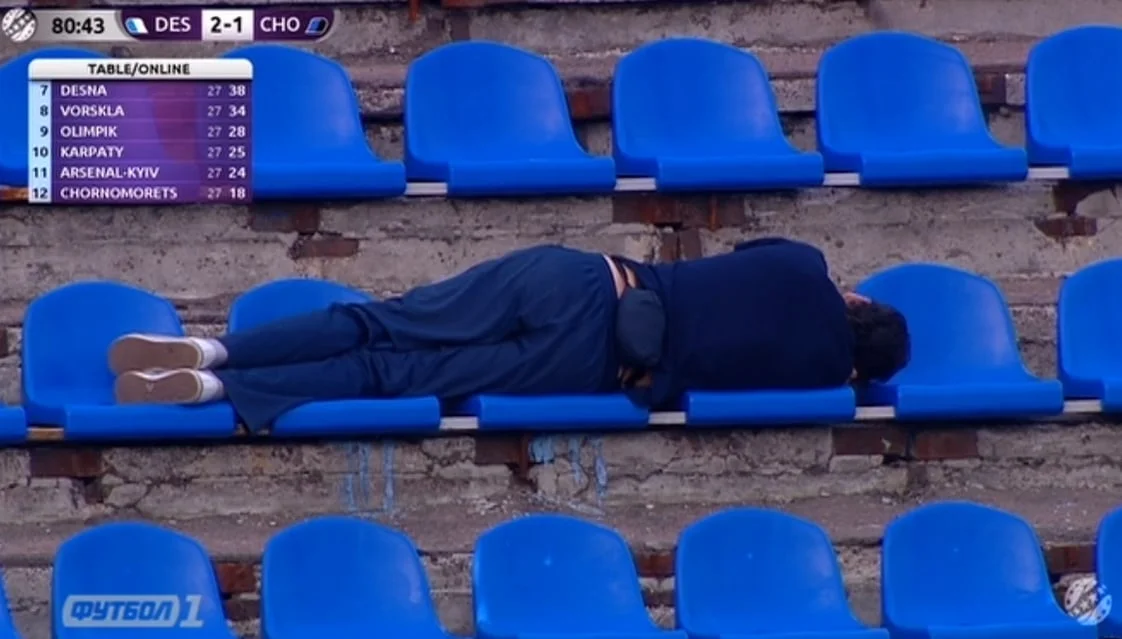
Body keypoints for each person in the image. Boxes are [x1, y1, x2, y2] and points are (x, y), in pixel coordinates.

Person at [109, 239, 910, 431]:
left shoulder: (804, 264)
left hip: (586, 278)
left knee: (380, 319)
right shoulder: (823, 374)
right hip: (596, 361)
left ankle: (216, 348)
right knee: (396, 374)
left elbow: (748, 259)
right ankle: (219, 389)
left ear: (859, 302)